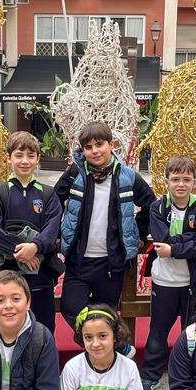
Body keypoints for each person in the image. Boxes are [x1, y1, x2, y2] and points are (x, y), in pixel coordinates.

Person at [53, 121, 155, 332]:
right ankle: (98, 340)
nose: (95, 151)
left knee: (107, 315)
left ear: (111, 144)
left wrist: (139, 232)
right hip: (79, 259)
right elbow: (53, 203)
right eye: (88, 147)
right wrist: (58, 234)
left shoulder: (127, 176)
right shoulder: (75, 173)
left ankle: (106, 348)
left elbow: (151, 205)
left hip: (111, 262)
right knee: (71, 308)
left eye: (99, 144)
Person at [139, 156, 196, 390]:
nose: (181, 184)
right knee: (158, 331)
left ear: (194, 182)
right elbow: (161, 238)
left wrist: (174, 249)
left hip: (193, 282)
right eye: (175, 179)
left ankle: (190, 374)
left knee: (192, 331)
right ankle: (151, 375)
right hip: (164, 281)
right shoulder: (158, 208)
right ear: (167, 181)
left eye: (186, 179)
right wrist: (187, 241)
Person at [0, 131, 63, 335]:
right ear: (8, 158)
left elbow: (52, 229)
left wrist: (35, 247)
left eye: (30, 155)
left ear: (38, 159)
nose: (25, 161)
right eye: (19, 155)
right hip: (7, 272)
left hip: (40, 273)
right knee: (7, 328)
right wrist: (22, 252)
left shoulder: (48, 194)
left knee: (43, 328)